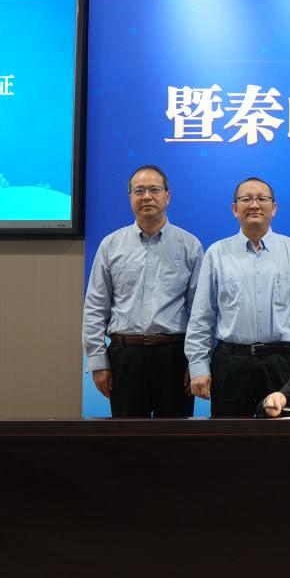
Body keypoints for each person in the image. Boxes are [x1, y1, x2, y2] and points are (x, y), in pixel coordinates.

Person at [185, 177, 290, 417]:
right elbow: (202, 316)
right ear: (234, 208)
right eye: (246, 199)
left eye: (262, 199)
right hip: (230, 362)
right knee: (230, 436)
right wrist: (198, 366)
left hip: (281, 362)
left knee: (282, 436)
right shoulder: (217, 253)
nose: (254, 205)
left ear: (274, 207)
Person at [81, 165, 204, 417]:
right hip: (125, 356)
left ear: (167, 196)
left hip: (174, 356)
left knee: (176, 436)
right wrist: (97, 361)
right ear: (130, 198)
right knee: (128, 437)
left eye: (154, 190)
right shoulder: (111, 245)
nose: (146, 196)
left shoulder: (190, 245)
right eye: (139, 191)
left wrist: (197, 361)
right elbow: (95, 307)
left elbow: (201, 312)